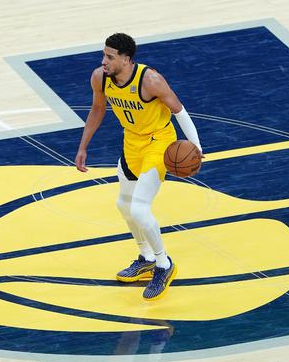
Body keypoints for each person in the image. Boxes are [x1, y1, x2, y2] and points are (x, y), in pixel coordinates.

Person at [75, 32, 203, 301]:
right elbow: (98, 109)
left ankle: (163, 264)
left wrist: (196, 147)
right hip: (132, 142)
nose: (104, 61)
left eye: (110, 57)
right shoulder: (100, 77)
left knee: (139, 208)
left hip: (159, 142)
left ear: (126, 59)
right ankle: (146, 257)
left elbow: (179, 111)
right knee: (123, 204)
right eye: (104, 55)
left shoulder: (150, 80)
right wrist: (83, 146)